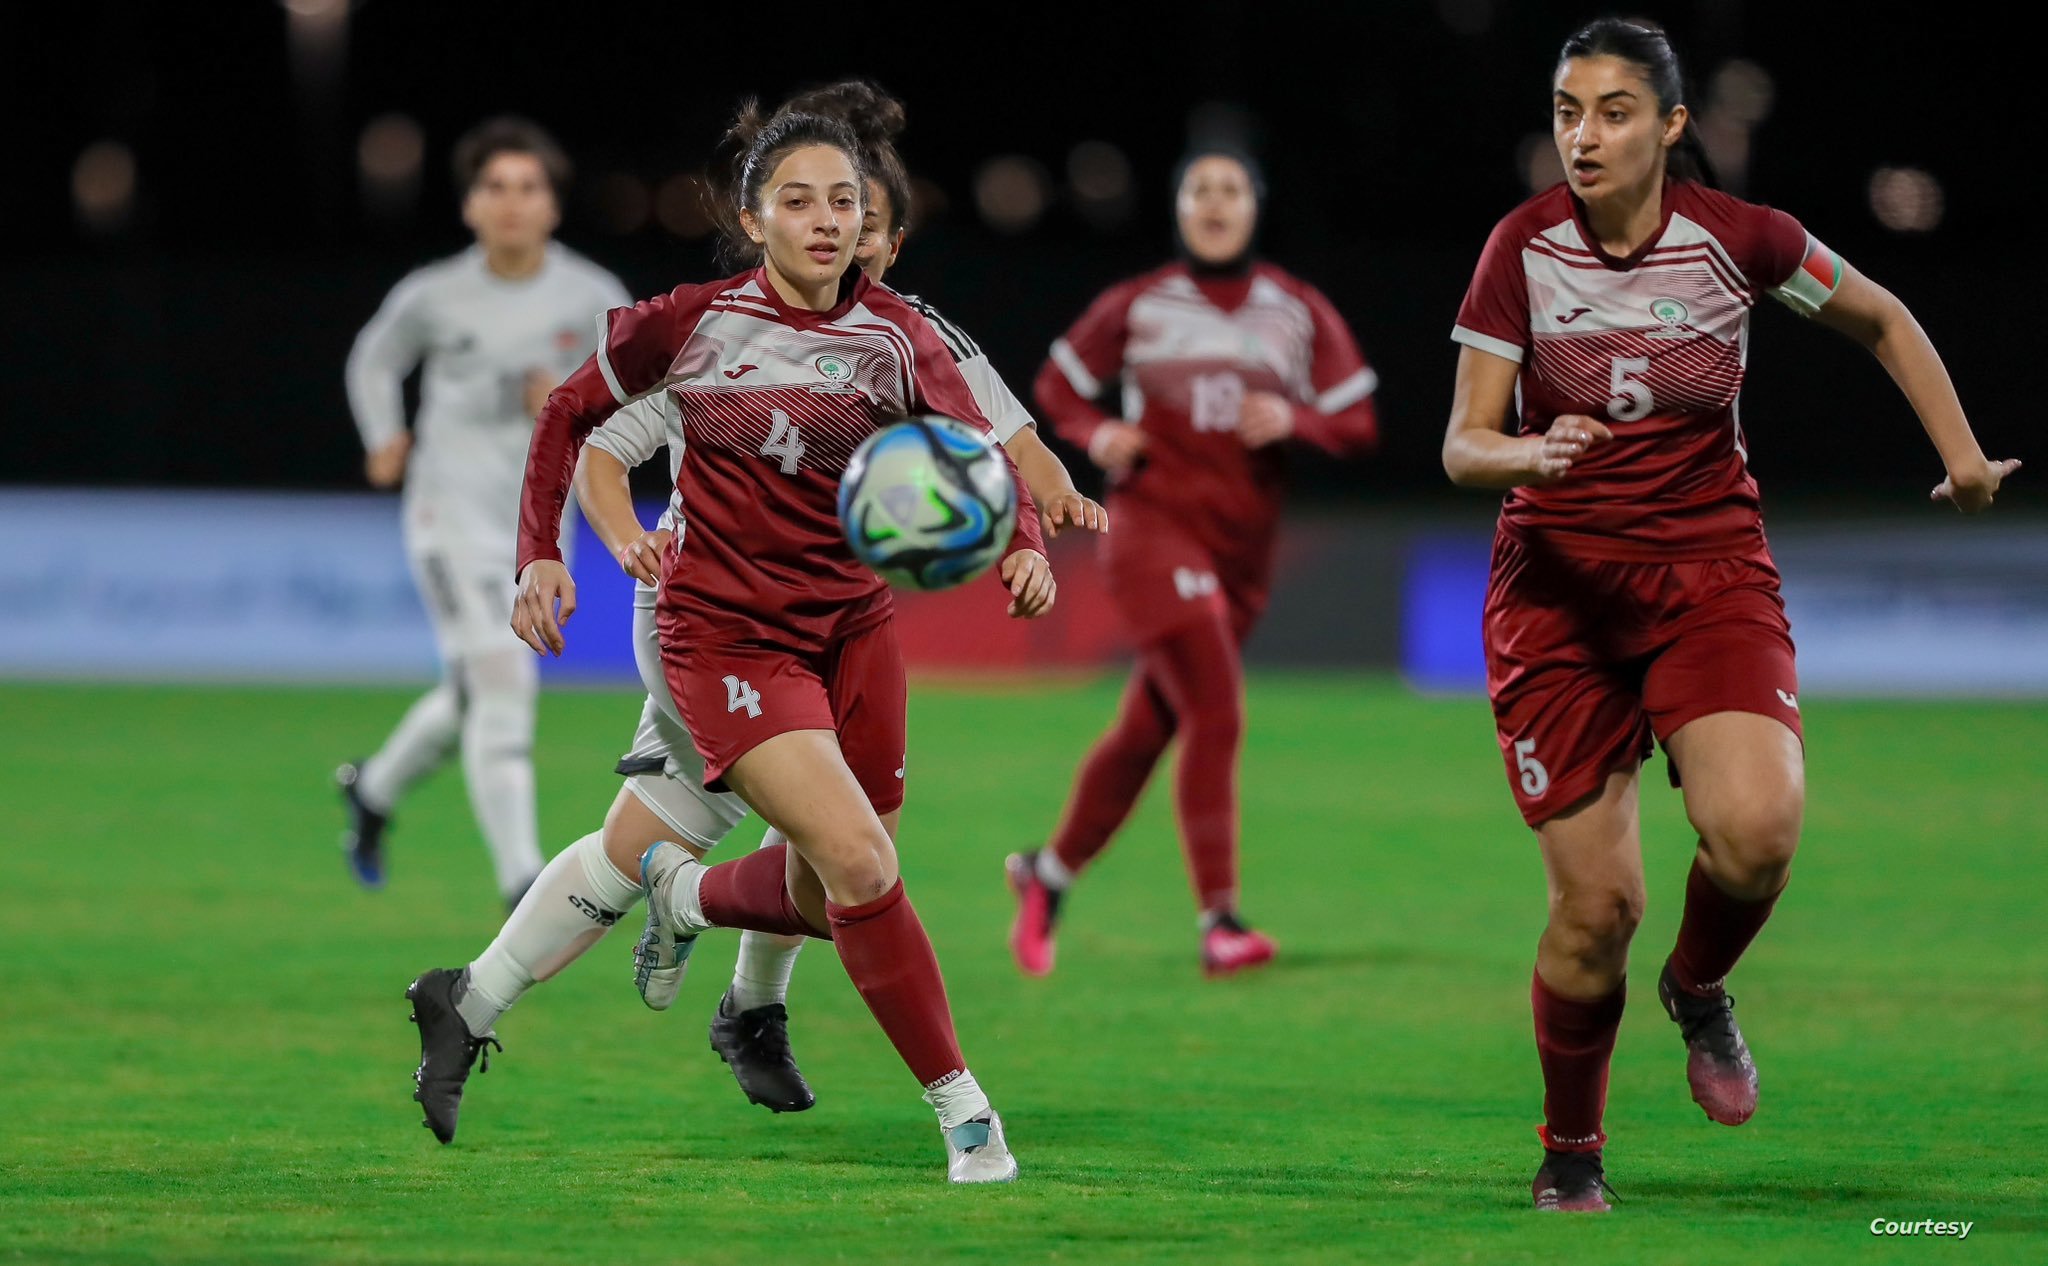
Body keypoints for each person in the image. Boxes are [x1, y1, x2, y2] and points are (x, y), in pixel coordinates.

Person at [411, 105, 1053, 1184]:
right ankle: (965, 1116)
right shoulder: (692, 324)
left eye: (843, 202)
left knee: (816, 887)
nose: (826, 220)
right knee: (861, 864)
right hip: (724, 636)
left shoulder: (900, 337)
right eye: (799, 201)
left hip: (852, 632)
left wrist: (1021, 542)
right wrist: (543, 555)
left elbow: (980, 453)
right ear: (753, 219)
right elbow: (571, 417)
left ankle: (539, 967)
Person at [1440, 19, 2019, 1213]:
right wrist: (1527, 454)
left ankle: (1696, 988)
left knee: (1756, 832)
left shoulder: (1739, 239)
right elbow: (1461, 444)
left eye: (1610, 112)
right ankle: (1571, 1151)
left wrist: (1960, 457)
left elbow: (1881, 318)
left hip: (1706, 577)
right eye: (1564, 111)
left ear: (1668, 126)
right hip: (1555, 600)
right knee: (1596, 910)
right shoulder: (1519, 249)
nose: (1582, 136)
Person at [1008, 149, 1379, 978]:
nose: (1215, 203)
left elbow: (1357, 424)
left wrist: (1296, 420)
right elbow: (1056, 385)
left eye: (1231, 189)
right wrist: (1097, 431)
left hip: (1242, 555)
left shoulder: (1296, 308)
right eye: (1199, 189)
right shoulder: (1141, 303)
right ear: (1178, 209)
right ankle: (1221, 922)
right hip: (1152, 529)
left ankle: (1048, 873)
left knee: (1149, 729)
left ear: (1255, 205)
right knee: (1217, 712)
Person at [337, 118, 630, 906]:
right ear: (470, 205)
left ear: (553, 206)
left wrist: (573, 404)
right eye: (495, 187)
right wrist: (384, 435)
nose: (511, 203)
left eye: (528, 188)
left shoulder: (593, 296)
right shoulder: (435, 294)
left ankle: (373, 792)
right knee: (502, 679)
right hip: (448, 515)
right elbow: (374, 358)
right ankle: (522, 883)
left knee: (473, 692)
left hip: (540, 527)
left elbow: (640, 394)